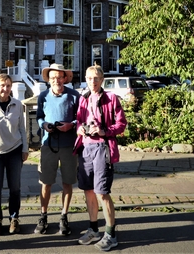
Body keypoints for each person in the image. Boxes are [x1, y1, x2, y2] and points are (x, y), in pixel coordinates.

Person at [73, 65, 127, 251]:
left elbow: (121, 124)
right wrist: (79, 128)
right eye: (89, 78)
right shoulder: (83, 98)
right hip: (85, 148)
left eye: (96, 78)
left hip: (102, 148)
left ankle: (111, 235)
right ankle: (94, 229)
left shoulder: (111, 98)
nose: (92, 82)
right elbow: (79, 120)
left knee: (102, 192)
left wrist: (104, 131)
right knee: (88, 190)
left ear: (102, 79)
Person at [34, 63, 80, 235]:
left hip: (69, 145)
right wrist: (44, 124)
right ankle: (43, 215)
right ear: (49, 80)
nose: (57, 80)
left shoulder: (74, 96)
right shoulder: (43, 96)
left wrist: (71, 125)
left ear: (65, 78)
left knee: (67, 182)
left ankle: (64, 216)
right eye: (53, 78)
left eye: (60, 77)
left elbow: (81, 119)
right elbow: (39, 117)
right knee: (46, 182)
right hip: (48, 145)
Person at [0, 74, 29, 235]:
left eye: (8, 85)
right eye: (2, 85)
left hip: (15, 151)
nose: (5, 88)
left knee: (15, 188)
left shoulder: (17, 104)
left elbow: (22, 129)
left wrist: (25, 148)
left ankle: (14, 218)